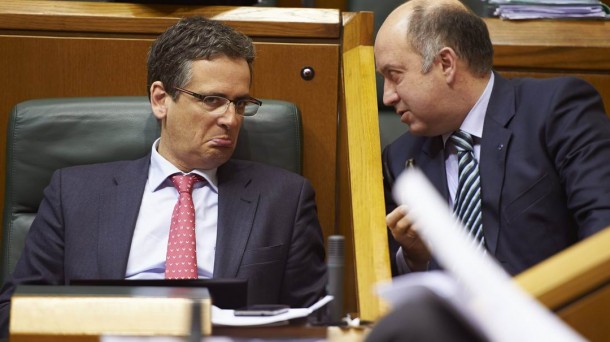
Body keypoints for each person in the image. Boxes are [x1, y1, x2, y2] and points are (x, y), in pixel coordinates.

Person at [0, 16, 326, 336]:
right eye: (212, 100)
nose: (231, 119)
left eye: (240, 103)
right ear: (160, 99)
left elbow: (314, 320)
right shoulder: (74, 193)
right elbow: (15, 311)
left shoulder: (283, 198)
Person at [377, 0, 610, 275]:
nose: (387, 96)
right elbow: (390, 283)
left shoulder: (555, 111)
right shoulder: (400, 160)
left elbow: (602, 231)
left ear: (446, 63)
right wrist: (414, 257)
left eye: (395, 76)